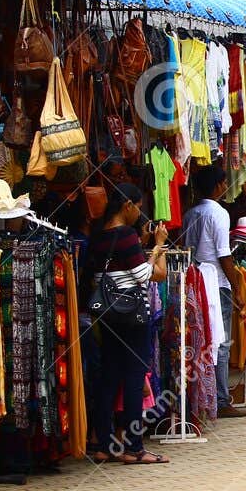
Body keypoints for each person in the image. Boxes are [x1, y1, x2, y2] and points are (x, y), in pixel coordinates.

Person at [85, 182, 169, 464]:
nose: (139, 215)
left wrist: (144, 246)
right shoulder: (126, 235)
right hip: (131, 316)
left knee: (108, 378)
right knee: (134, 378)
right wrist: (157, 247)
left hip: (107, 315)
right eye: (138, 208)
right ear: (128, 206)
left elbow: (118, 270)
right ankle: (134, 446)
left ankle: (105, 444)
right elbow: (144, 275)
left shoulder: (98, 235)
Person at [184, 164, 246, 418]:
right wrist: (237, 286)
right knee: (219, 342)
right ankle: (220, 399)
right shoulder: (219, 213)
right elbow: (224, 255)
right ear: (220, 185)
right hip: (216, 283)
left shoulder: (190, 214)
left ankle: (202, 397)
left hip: (193, 282)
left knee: (199, 341)